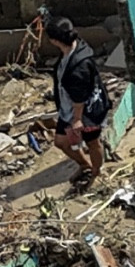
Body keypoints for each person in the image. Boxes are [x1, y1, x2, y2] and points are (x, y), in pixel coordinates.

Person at [48, 17, 109, 186]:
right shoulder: (75, 47)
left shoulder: (78, 67)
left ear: (54, 41)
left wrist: (77, 119)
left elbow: (79, 98)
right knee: (61, 142)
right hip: (68, 109)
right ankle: (84, 165)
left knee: (92, 142)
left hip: (87, 113)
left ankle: (96, 171)